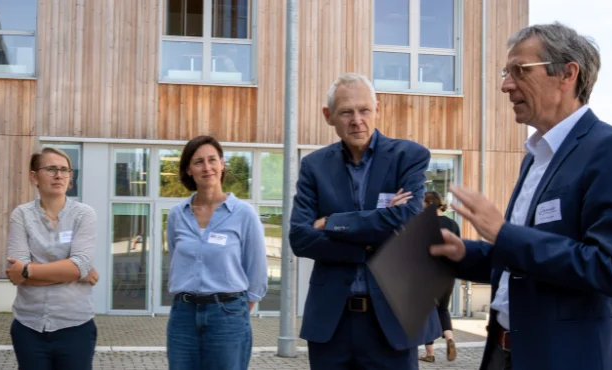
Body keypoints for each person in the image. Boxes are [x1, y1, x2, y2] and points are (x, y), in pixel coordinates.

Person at [429, 23, 612, 370]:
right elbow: (523, 262)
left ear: (567, 74)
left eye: (520, 71)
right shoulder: (535, 157)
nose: (505, 85)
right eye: (506, 72)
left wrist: (504, 233)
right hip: (504, 353)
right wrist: (463, 254)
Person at [289, 73, 440, 369]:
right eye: (346, 112)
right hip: (332, 322)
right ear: (328, 116)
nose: (357, 120)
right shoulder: (313, 167)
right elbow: (300, 237)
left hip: (393, 319)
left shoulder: (409, 156)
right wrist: (368, 247)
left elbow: (406, 218)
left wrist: (332, 222)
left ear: (377, 109)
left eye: (364, 110)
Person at [165, 136, 268, 370]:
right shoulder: (176, 215)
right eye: (198, 162)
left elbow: (257, 271)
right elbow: (176, 260)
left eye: (212, 160)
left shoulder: (244, 214)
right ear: (189, 170)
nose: (207, 167)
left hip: (227, 314)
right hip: (183, 314)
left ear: (222, 164)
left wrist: (234, 308)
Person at [5, 147, 100, 370]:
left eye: (64, 170)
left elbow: (79, 265)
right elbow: (14, 272)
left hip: (76, 326)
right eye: (51, 169)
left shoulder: (84, 214)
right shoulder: (21, 214)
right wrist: (74, 272)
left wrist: (29, 271)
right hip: (30, 328)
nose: (59, 175)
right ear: (34, 177)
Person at [418, 191, 459, 363]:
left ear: (428, 204)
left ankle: (430, 353)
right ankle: (450, 338)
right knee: (443, 310)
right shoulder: (452, 223)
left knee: (428, 312)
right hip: (448, 272)